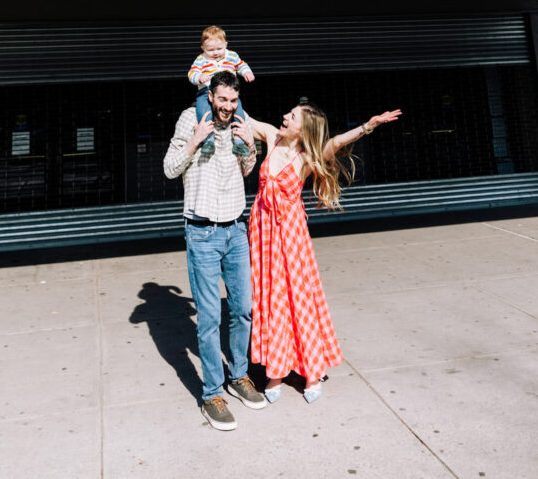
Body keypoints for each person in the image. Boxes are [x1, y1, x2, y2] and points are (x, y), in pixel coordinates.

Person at [246, 100, 402, 403]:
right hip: (263, 236)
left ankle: (312, 372)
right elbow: (243, 116)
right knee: (270, 301)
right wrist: (214, 76)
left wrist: (368, 126)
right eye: (287, 113)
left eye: (291, 116)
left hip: (291, 239)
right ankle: (275, 371)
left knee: (299, 300)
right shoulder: (270, 137)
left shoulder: (306, 157)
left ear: (304, 130)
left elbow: (336, 142)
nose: (284, 117)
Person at [163, 69, 266, 430]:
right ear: (210, 96)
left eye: (233, 101)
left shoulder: (240, 120)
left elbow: (246, 168)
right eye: (222, 100)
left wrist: (251, 145)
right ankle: (211, 394)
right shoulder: (192, 118)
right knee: (209, 318)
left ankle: (239, 376)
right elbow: (169, 169)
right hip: (203, 232)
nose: (227, 106)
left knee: (243, 310)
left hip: (236, 229)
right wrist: (195, 141)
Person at [187, 25, 255, 155]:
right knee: (204, 112)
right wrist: (199, 77)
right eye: (211, 50)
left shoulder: (232, 56)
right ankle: (208, 140)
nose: (216, 53)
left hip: (228, 92)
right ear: (203, 48)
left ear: (226, 44)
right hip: (205, 91)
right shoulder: (201, 59)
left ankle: (239, 141)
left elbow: (241, 65)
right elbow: (191, 73)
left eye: (219, 48)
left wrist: (247, 72)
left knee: (238, 113)